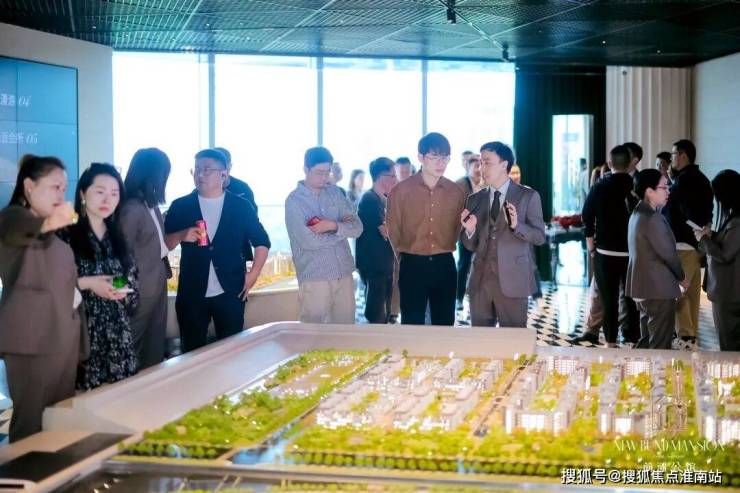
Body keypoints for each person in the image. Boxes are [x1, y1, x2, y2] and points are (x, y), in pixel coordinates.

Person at [0, 155, 81, 442]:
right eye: (54, 187)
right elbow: (18, 228)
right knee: (31, 423)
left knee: (57, 421)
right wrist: (49, 223)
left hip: (62, 339)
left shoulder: (53, 233)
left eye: (64, 188)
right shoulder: (12, 219)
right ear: (29, 186)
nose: (61, 195)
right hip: (31, 341)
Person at [165, 149, 271, 353]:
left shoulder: (240, 206)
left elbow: (262, 242)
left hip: (231, 290)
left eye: (207, 169)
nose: (200, 174)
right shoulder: (181, 206)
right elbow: (164, 245)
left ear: (224, 174)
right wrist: (180, 235)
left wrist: (253, 275)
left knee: (232, 352)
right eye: (196, 169)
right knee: (191, 352)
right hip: (192, 293)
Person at [59, 163, 140, 389]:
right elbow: (51, 285)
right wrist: (88, 283)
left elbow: (130, 278)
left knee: (119, 399)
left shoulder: (118, 237)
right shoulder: (65, 234)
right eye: (100, 192)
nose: (107, 200)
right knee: (81, 400)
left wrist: (119, 288)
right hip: (81, 333)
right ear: (83, 194)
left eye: (114, 193)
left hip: (117, 334)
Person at [460, 142, 545, 327]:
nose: (481, 168)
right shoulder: (475, 199)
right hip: (479, 283)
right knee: (480, 340)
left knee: (513, 339)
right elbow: (470, 245)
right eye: (480, 163)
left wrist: (517, 226)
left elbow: (539, 237)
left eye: (487, 162)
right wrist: (470, 230)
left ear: (504, 165)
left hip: (513, 283)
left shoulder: (528, 196)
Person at [387, 132, 464, 326]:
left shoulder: (455, 191)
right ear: (420, 157)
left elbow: (458, 229)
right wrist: (406, 258)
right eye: (434, 157)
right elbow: (393, 231)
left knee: (444, 323)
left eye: (445, 158)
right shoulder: (400, 191)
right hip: (412, 264)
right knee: (412, 324)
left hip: (445, 263)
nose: (441, 163)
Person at [285, 147, 363, 324]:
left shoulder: (335, 193)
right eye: (319, 173)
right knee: (314, 334)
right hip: (316, 276)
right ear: (306, 169)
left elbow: (357, 228)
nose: (324, 178)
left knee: (346, 331)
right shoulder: (294, 201)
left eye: (327, 172)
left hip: (344, 273)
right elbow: (308, 242)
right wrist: (342, 230)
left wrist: (332, 226)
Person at [582, 145, 639, 347]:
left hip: (605, 252)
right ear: (630, 162)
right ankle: (633, 338)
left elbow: (587, 216)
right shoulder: (636, 185)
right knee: (631, 298)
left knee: (609, 299)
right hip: (632, 252)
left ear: (609, 163)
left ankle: (610, 342)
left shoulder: (600, 186)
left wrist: (591, 247)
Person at [121, 148, 172, 370]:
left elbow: (158, 246)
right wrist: (119, 291)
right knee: (130, 345)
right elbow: (119, 255)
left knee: (153, 344)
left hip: (156, 283)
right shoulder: (131, 209)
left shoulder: (150, 205)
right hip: (138, 290)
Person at [626, 169, 686, 349]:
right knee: (660, 345)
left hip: (643, 287)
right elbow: (669, 254)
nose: (668, 191)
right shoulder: (653, 218)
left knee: (647, 342)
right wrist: (681, 277)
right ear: (649, 191)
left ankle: (637, 368)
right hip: (658, 288)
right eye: (664, 187)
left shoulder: (637, 213)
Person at [661, 139, 714, 345]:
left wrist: (696, 229)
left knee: (679, 293)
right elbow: (708, 211)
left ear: (683, 155)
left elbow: (681, 211)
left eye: (673, 154)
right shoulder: (702, 178)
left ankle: (685, 336)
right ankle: (691, 335)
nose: (671, 158)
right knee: (691, 294)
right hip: (696, 245)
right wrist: (703, 230)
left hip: (682, 244)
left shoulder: (683, 181)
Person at [696, 169, 740, 351]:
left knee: (728, 344)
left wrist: (704, 239)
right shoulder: (733, 219)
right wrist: (711, 236)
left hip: (728, 292)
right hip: (729, 291)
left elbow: (725, 254)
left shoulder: (737, 222)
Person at [356, 158, 398, 323]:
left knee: (385, 311)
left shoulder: (383, 199)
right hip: (374, 265)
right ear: (381, 177)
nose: (395, 179)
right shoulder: (370, 199)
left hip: (384, 264)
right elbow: (386, 231)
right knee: (376, 314)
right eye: (392, 175)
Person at [455, 154, 482, 310]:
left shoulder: (485, 183)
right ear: (468, 168)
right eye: (475, 166)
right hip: (465, 232)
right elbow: (456, 208)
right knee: (464, 264)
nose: (479, 169)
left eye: (480, 166)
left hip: (483, 233)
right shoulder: (461, 184)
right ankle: (458, 298)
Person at [214, 147, 257, 213]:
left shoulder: (243, 188)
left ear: (230, 166)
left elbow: (253, 215)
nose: (220, 171)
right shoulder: (201, 189)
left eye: (223, 166)